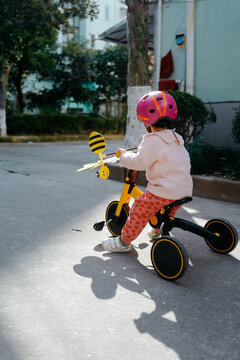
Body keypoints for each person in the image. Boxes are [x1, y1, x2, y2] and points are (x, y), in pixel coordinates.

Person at [102, 91, 193, 252]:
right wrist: (143, 151)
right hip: (184, 190)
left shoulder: (151, 140)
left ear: (146, 123)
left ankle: (123, 242)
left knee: (139, 209)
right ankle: (158, 229)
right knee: (165, 211)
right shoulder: (175, 137)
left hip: (164, 191)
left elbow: (138, 162)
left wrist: (124, 156)